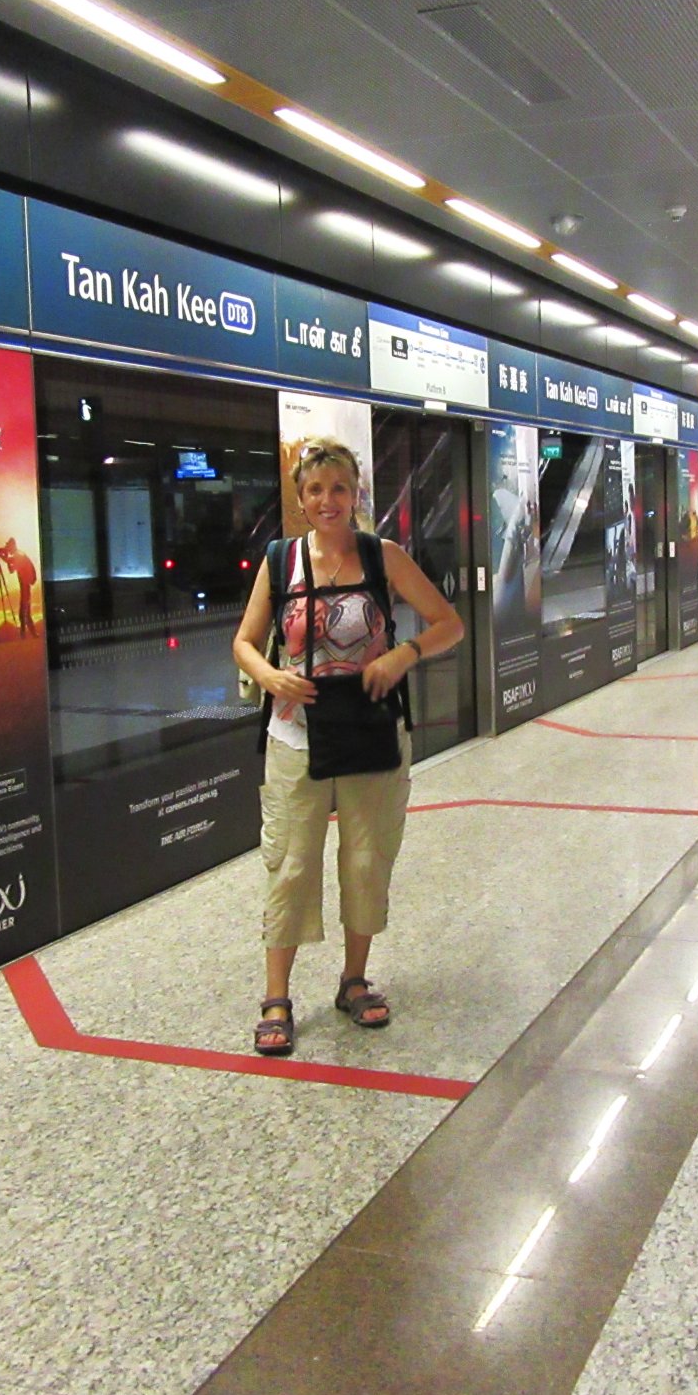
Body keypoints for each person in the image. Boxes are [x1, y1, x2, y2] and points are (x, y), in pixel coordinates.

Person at [232, 439, 464, 1056]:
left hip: (369, 730)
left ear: (356, 494)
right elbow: (245, 643)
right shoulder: (281, 561)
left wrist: (402, 654)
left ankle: (353, 980)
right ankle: (275, 995)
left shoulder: (381, 555)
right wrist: (270, 675)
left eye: (339, 488)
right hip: (295, 734)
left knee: (366, 858)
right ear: (302, 500)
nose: (327, 500)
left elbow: (449, 623)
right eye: (315, 491)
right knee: (291, 864)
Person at [2, 538, 38, 637]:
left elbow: (11, 567)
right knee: (26, 612)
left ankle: (24, 635)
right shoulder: (19, 554)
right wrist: (5, 558)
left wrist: (4, 557)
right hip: (25, 586)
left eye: (8, 546)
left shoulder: (19, 555)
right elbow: (11, 569)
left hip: (25, 585)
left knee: (23, 613)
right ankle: (33, 634)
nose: (7, 548)